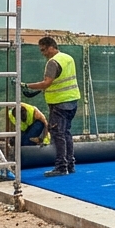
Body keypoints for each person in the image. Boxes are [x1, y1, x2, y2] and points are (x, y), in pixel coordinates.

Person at [22, 36, 81, 178]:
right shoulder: (68, 58)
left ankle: (61, 167)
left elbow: (47, 83)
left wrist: (25, 85)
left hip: (59, 103)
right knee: (66, 133)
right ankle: (70, 164)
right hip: (72, 101)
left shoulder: (53, 62)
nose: (43, 53)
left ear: (51, 47)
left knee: (58, 134)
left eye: (43, 50)